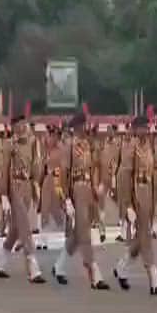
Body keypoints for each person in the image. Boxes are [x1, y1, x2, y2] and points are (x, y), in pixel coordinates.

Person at [55, 112, 108, 289]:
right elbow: (63, 174)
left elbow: (95, 168)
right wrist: (66, 199)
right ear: (77, 127)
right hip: (76, 187)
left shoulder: (89, 145)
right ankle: (94, 272)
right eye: (83, 125)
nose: (85, 127)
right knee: (84, 233)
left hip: (88, 189)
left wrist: (96, 188)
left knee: (79, 232)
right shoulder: (69, 146)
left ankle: (59, 266)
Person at [115, 115, 157, 295]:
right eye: (141, 127)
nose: (145, 130)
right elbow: (124, 177)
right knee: (145, 238)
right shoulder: (130, 147)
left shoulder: (149, 146)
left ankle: (122, 267)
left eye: (146, 127)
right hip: (136, 195)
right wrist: (127, 204)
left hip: (148, 195)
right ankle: (155, 279)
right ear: (134, 129)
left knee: (141, 238)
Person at [0, 114, 46, 283]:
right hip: (14, 187)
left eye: (24, 124)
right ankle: (33, 268)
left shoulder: (32, 143)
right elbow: (4, 171)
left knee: (15, 230)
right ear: (14, 127)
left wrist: (36, 185)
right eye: (19, 125)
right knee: (25, 226)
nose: (22, 127)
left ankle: (0, 262)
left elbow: (36, 167)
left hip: (27, 188)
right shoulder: (10, 145)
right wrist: (3, 194)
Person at [37, 124, 66, 253]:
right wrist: (40, 182)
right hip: (48, 180)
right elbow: (42, 168)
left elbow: (63, 170)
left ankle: (67, 233)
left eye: (52, 135)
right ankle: (42, 239)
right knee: (44, 209)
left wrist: (60, 187)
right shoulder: (47, 151)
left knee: (59, 209)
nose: (50, 138)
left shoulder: (61, 150)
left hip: (57, 180)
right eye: (49, 135)